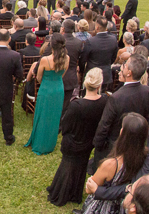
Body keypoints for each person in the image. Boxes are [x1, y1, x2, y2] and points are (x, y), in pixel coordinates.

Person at [70, 112, 149, 214]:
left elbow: (90, 189)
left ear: (122, 132)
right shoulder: (146, 156)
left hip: (102, 209)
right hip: (124, 207)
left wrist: (93, 187)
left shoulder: (111, 164)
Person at [46, 68, 108, 205]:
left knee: (67, 167)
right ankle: (75, 193)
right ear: (99, 85)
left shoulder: (77, 105)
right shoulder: (104, 102)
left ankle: (61, 193)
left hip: (73, 141)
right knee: (80, 167)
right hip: (88, 141)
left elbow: (66, 124)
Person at [25, 34, 70, 155]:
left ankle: (40, 143)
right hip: (58, 89)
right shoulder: (67, 58)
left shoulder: (45, 60)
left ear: (51, 45)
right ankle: (50, 142)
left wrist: (46, 82)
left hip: (46, 89)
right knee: (54, 116)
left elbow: (39, 78)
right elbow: (62, 74)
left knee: (42, 114)